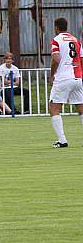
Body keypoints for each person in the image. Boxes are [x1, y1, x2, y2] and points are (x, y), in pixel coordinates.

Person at [47, 17, 83, 148]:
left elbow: (56, 59)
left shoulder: (56, 40)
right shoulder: (76, 40)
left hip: (63, 78)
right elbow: (81, 59)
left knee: (54, 108)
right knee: (81, 108)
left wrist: (52, 75)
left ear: (56, 27)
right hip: (77, 77)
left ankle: (62, 140)